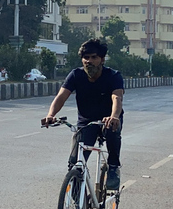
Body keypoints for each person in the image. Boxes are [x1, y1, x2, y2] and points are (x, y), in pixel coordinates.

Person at [41, 38, 124, 190]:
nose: (89, 61)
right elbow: (61, 97)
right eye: (86, 58)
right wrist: (51, 115)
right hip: (86, 123)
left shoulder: (113, 76)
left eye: (94, 57)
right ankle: (76, 203)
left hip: (108, 119)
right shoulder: (76, 75)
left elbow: (116, 97)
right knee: (75, 163)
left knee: (112, 131)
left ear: (102, 59)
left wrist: (114, 116)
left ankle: (113, 168)